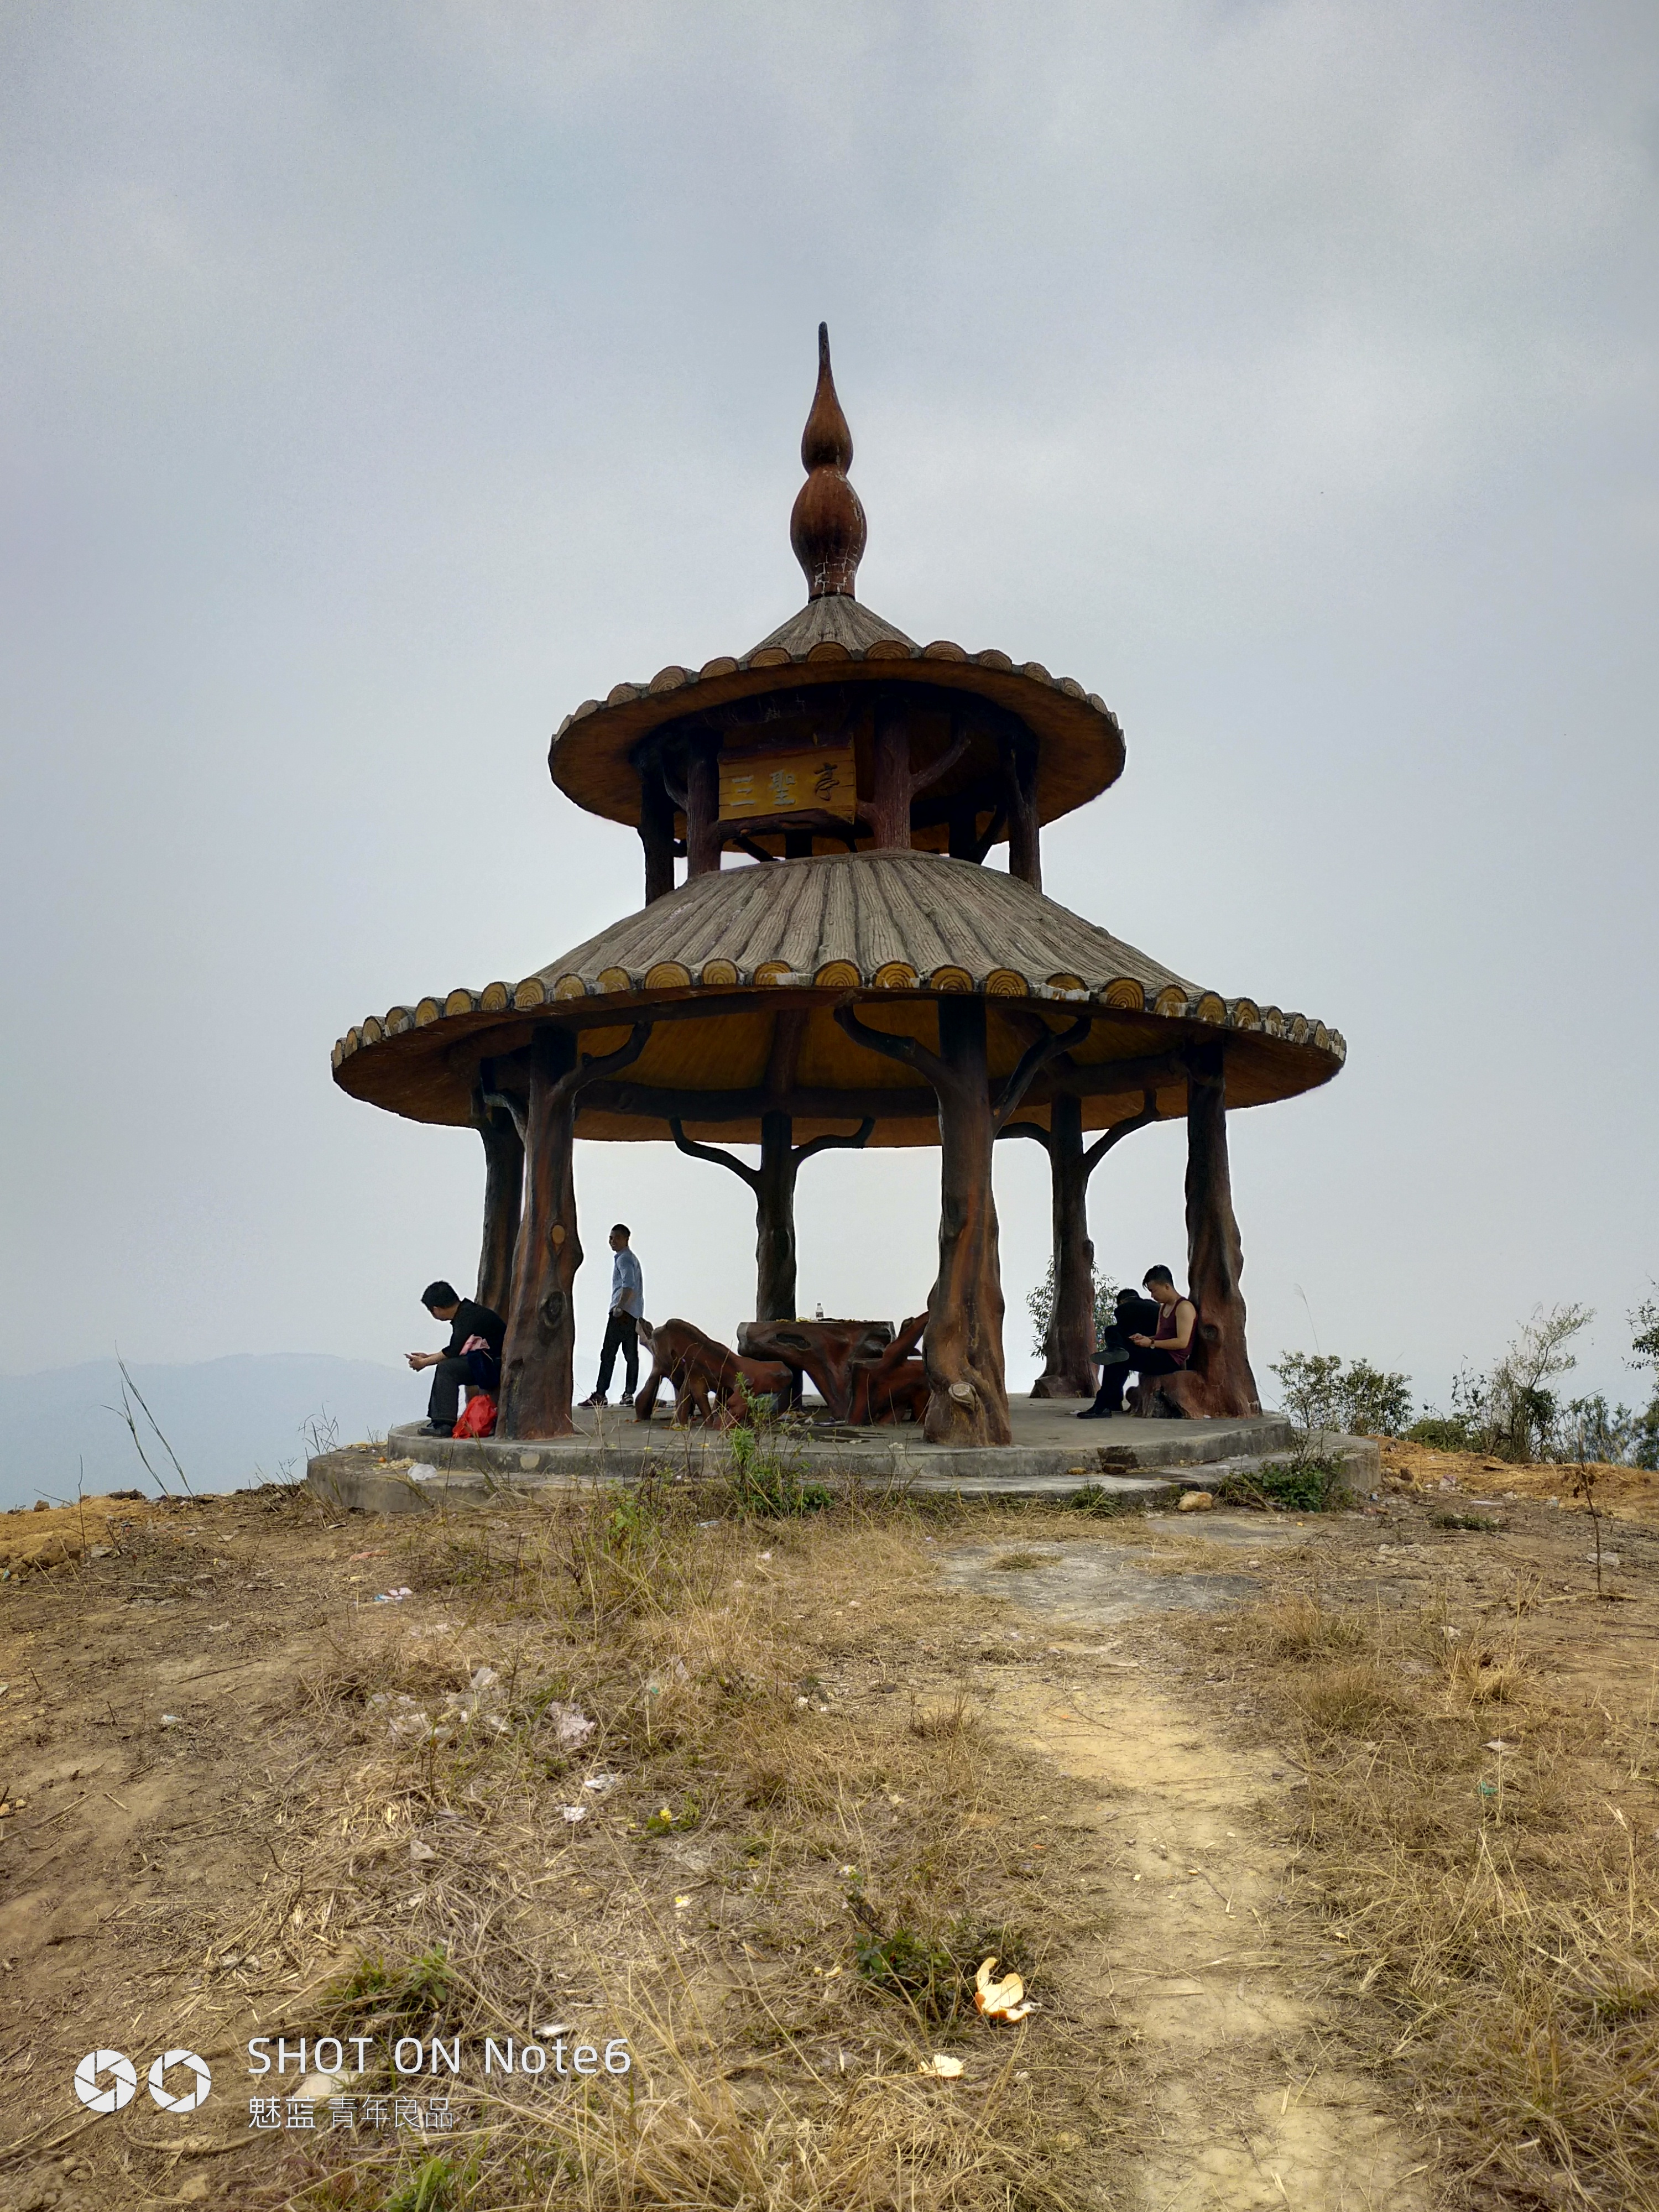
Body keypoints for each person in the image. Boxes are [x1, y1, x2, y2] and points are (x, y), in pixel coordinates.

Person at [1077, 1266, 1197, 1418]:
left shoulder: (1184, 1307)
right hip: (1158, 1352)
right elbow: (1160, 1336)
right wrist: (1145, 1338)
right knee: (1115, 1345)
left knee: (1120, 1358)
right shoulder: (1163, 1308)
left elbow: (1182, 1343)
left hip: (1170, 1360)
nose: (1153, 1296)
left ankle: (1103, 1405)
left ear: (1167, 1286)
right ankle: (1116, 1353)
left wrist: (1151, 1344)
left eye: (1154, 1290)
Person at [406, 1280, 507, 1437]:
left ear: (436, 1310)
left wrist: (424, 1363)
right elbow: (457, 1349)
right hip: (486, 1362)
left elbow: (453, 1351)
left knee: (447, 1369)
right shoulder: (467, 1313)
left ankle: (444, 1423)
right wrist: (429, 1357)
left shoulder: (468, 1317)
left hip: (495, 1366)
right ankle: (440, 1421)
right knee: (448, 1365)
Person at [579, 1225, 644, 1409]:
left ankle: (601, 1394)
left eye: (616, 1238)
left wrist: (619, 1307)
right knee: (631, 1355)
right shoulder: (631, 1259)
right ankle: (629, 1393)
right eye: (610, 1238)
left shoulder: (624, 1259)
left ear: (626, 1239)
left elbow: (629, 1285)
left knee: (608, 1353)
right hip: (634, 1314)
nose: (612, 1242)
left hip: (622, 1313)